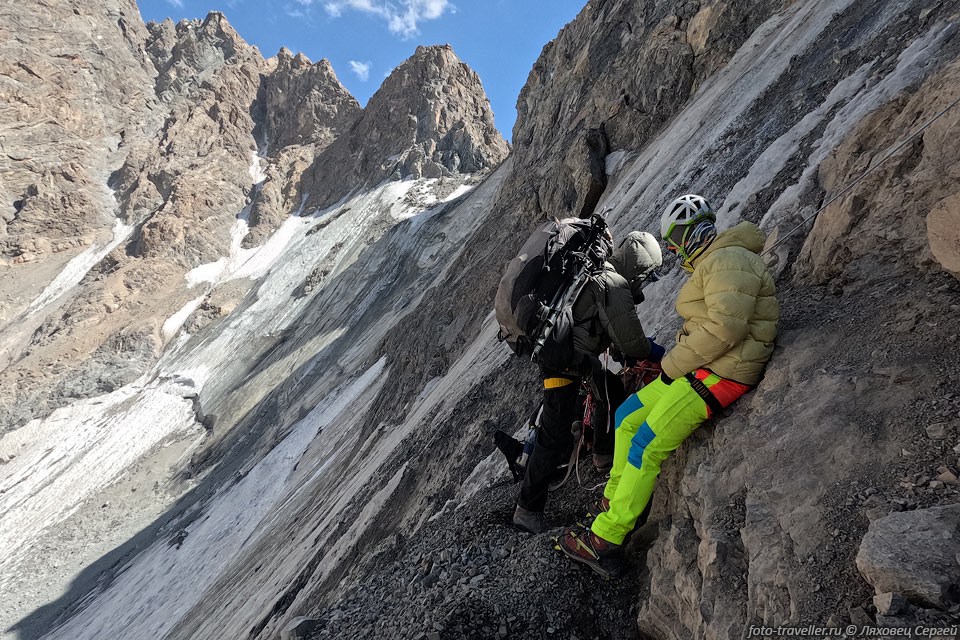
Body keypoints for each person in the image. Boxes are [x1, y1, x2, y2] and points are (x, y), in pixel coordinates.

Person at [558, 194, 779, 578]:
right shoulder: (719, 261)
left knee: (645, 443)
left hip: (722, 372)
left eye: (676, 241)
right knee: (627, 415)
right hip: (703, 366)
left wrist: (672, 364)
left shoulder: (728, 260)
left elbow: (725, 329)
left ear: (688, 235)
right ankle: (614, 502)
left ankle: (605, 538)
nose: (675, 251)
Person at [513, 231, 664, 534]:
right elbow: (631, 342)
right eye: (646, 276)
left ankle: (603, 457)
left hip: (564, 355)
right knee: (553, 432)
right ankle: (527, 510)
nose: (643, 283)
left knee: (608, 385)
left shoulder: (599, 274)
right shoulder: (615, 284)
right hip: (563, 362)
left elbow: (607, 328)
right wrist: (660, 354)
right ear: (639, 267)